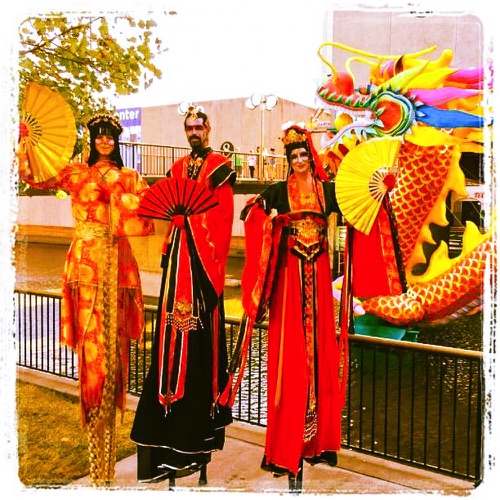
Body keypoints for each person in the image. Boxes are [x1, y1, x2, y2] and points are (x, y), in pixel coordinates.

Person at [17, 113, 155, 486]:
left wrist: (120, 199)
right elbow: (36, 176)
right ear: (91, 139)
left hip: (118, 265)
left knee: (115, 352)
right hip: (85, 266)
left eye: (111, 136)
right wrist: (26, 143)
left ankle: (108, 443)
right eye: (99, 136)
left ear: (117, 141)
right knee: (92, 353)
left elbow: (148, 215)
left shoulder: (129, 177)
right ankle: (97, 451)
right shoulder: (76, 173)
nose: (105, 142)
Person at [220, 125, 348, 490]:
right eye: (293, 157)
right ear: (289, 161)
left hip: (319, 278)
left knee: (320, 349)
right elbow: (249, 212)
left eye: (303, 154)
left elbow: (357, 207)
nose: (299, 161)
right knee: (290, 354)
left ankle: (318, 441)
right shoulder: (278, 191)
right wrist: (273, 223)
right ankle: (286, 443)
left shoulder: (327, 191)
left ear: (311, 156)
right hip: (291, 280)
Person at [130, 106, 236, 485]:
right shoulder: (176, 170)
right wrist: (175, 225)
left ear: (208, 129)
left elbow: (222, 217)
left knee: (197, 346)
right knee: (168, 339)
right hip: (178, 266)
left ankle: (194, 436)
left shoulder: (221, 166)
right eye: (189, 127)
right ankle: (163, 436)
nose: (194, 132)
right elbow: (171, 204)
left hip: (201, 269)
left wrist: (188, 221)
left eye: (199, 126)